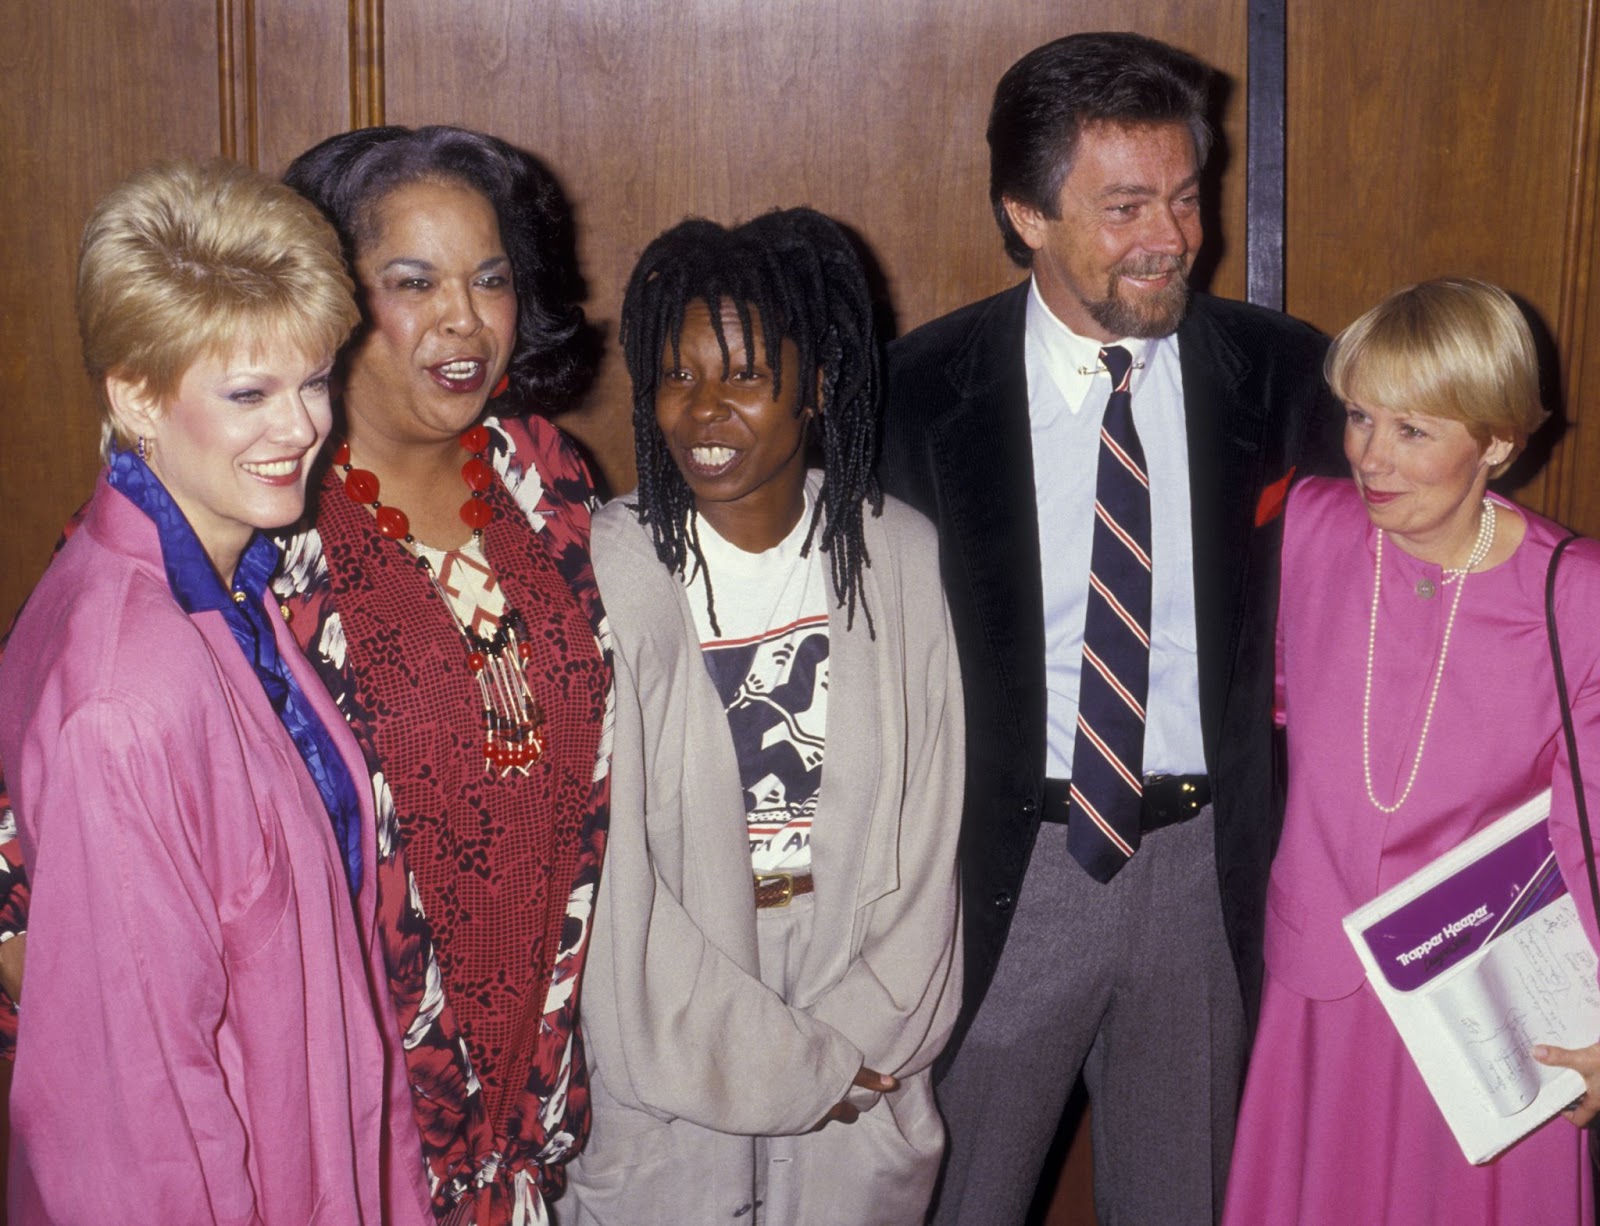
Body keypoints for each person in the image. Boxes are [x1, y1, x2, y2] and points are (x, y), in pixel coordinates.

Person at [877, 31, 1343, 1225]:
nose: (1171, 237)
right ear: (1026, 213)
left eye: (1185, 197)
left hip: (1206, 870)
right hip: (1005, 870)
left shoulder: (1290, 377)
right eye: (1125, 204)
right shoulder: (913, 398)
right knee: (955, 1196)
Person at [0, 159, 430, 1222]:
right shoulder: (127, 690)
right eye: (248, 392)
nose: (300, 427)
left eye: (313, 380)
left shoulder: (218, 585)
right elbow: (131, 1114)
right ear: (137, 396)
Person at [561, 209, 963, 1225]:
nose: (701, 409)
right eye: (675, 374)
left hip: (854, 1009)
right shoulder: (603, 573)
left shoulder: (896, 555)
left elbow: (930, 840)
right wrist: (781, 1065)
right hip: (678, 1015)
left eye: (741, 375)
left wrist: (856, 1044)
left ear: (819, 382)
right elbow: (617, 897)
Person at [274, 125, 613, 1224]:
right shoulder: (256, 512)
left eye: (490, 278)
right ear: (327, 297)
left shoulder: (545, 474)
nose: (464, 320)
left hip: (540, 1103)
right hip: (343, 1122)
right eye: (411, 281)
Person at [1224, 277, 1600, 1223]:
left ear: (1499, 444)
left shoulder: (1575, 596)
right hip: (1320, 997)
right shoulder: (1309, 530)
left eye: (1413, 431)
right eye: (1359, 417)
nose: (1370, 458)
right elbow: (1238, 708)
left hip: (1491, 1005)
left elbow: (1592, 833)